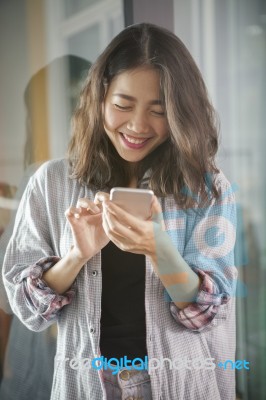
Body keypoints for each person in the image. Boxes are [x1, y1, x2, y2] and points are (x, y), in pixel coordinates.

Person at [2, 23, 237, 400]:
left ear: (180, 113)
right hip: (86, 385)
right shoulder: (52, 183)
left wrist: (158, 248)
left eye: (158, 111)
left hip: (179, 384)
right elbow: (27, 308)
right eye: (122, 105)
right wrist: (76, 256)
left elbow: (208, 316)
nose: (137, 125)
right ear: (99, 98)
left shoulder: (206, 187)